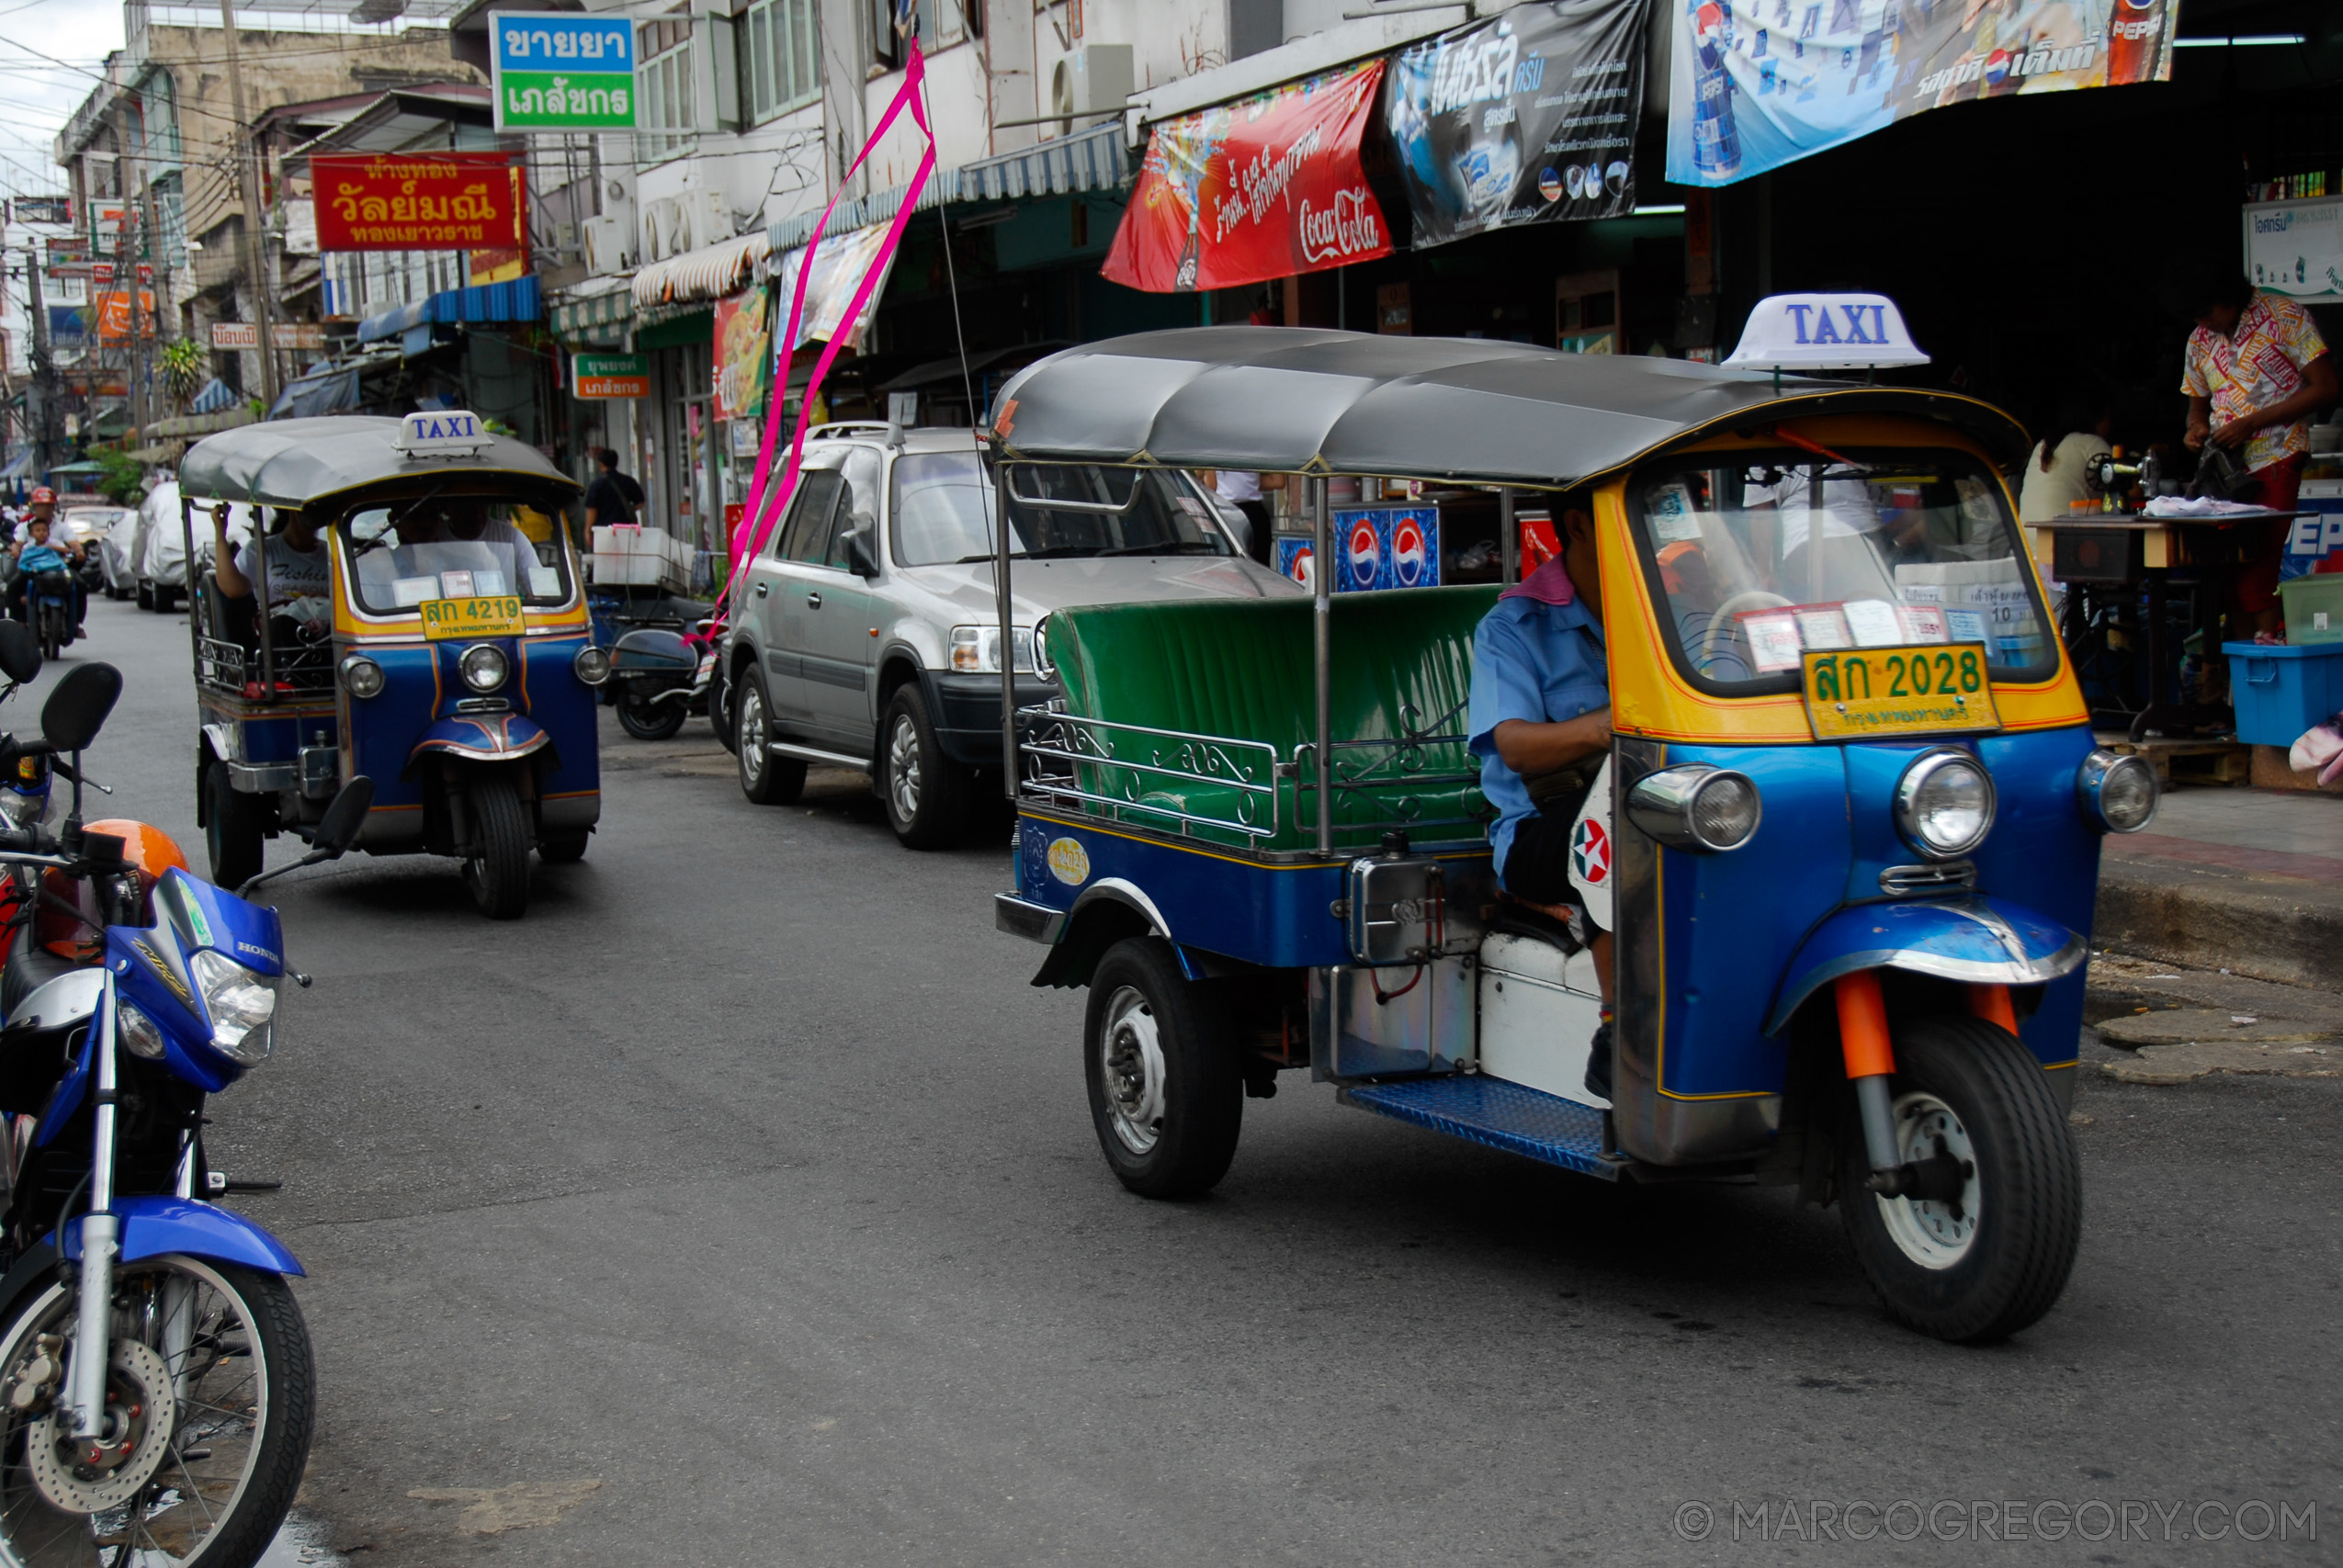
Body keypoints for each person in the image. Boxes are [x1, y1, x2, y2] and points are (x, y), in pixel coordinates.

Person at [1466, 494, 1617, 1099]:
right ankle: (1621, 1030)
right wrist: (1614, 724)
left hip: (1654, 799)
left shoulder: (1672, 608)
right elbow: (1516, 746)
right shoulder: (1513, 625)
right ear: (1579, 525)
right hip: (1539, 832)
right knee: (1635, 813)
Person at [2171, 268, 2339, 639]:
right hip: (2225, 470)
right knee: (2227, 575)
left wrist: (2252, 423)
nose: (2204, 323)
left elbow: (2326, 388)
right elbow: (2196, 407)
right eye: (2196, 318)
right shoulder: (2200, 338)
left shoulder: (2284, 316)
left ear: (2229, 298)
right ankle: (2238, 678)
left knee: (2257, 572)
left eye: (2208, 313)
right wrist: (2195, 429)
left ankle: (2269, 662)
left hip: (2277, 457)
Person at [213, 502, 331, 638]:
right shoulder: (262, 550)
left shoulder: (332, 553)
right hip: (280, 636)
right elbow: (233, 589)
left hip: (325, 634)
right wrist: (220, 536)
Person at [2019, 396, 2117, 524]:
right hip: (2063, 539)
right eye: (2109, 416)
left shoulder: (2043, 445)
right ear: (2098, 418)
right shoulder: (2093, 444)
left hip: (2027, 539)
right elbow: (2131, 491)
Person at [9, 514, 86, 630]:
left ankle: (75, 623)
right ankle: (20, 621)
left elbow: (69, 548)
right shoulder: (27, 545)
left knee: (79, 585)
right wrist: (15, 550)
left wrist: (78, 551)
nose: (41, 533)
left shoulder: (57, 538)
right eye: (38, 530)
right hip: (34, 572)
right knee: (13, 586)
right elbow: (18, 549)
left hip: (58, 570)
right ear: (31, 534)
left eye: (44, 530)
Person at [583, 447, 644, 531]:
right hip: (625, 529)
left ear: (601, 464)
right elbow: (640, 503)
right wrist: (627, 509)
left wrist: (587, 530)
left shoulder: (596, 485)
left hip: (604, 530)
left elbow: (592, 510)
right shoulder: (629, 481)